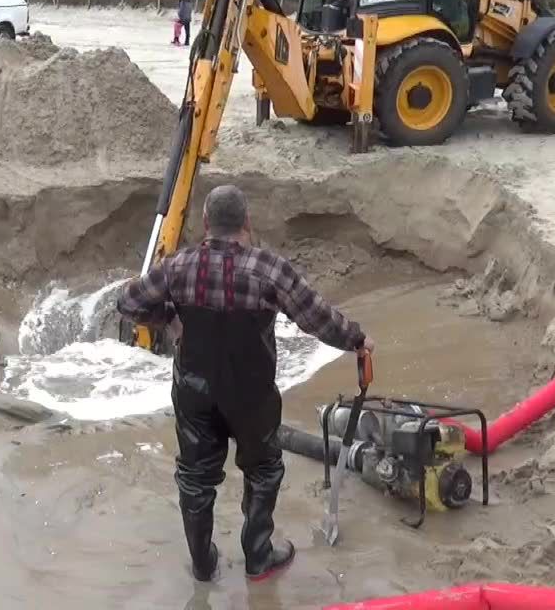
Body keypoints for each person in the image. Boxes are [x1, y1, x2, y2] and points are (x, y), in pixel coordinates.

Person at [116, 185, 374, 582]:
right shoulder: (269, 269)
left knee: (195, 476)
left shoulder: (177, 265)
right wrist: (357, 339)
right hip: (252, 393)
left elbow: (129, 303)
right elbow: (316, 316)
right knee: (263, 468)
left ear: (205, 222)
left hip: (194, 389)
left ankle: (203, 563)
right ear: (247, 222)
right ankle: (258, 556)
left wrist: (169, 318)